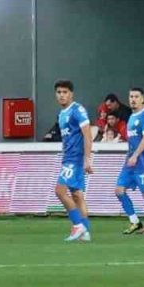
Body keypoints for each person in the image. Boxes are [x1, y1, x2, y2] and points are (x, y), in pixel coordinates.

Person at [53, 80, 94, 243]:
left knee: (60, 191)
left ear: (71, 94)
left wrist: (87, 159)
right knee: (77, 195)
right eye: (59, 92)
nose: (62, 95)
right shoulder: (62, 114)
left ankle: (78, 225)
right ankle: (85, 232)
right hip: (68, 157)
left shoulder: (77, 110)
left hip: (75, 159)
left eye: (65, 92)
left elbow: (87, 135)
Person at [117, 88, 144, 235]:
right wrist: (129, 156)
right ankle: (135, 221)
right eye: (131, 96)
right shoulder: (131, 117)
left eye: (136, 96)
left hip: (143, 162)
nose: (133, 99)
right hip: (130, 162)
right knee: (119, 191)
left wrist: (135, 155)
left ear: (142, 99)